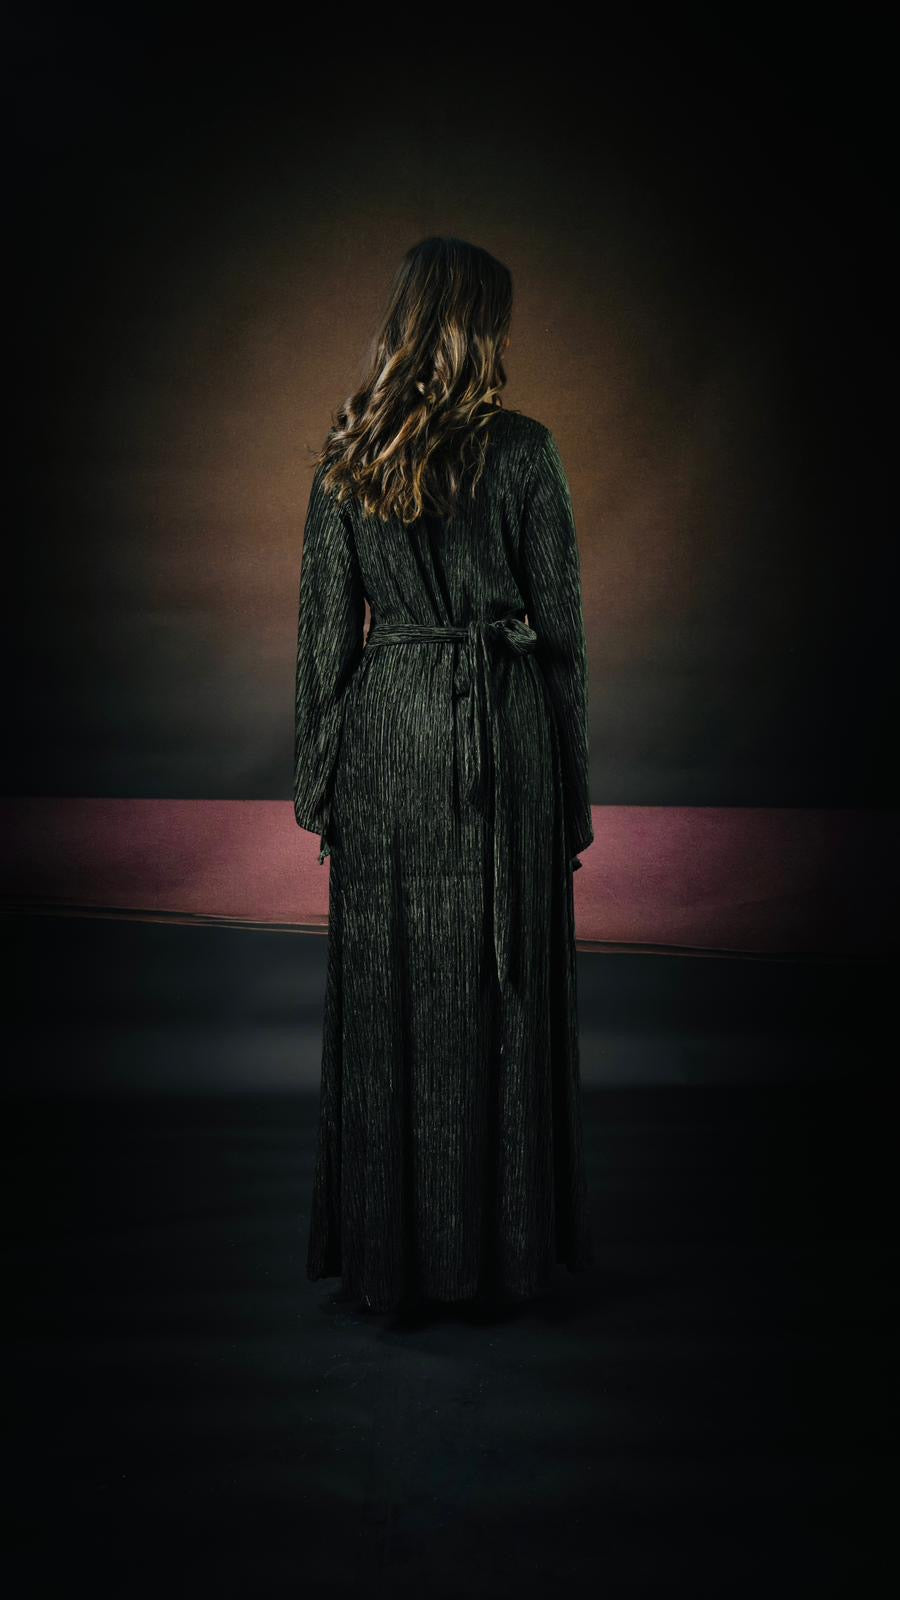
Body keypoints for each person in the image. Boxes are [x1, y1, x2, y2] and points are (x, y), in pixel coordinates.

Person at [293, 236, 594, 1315]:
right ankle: (500, 1259)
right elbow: (561, 641)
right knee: (499, 998)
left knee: (389, 997)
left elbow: (322, 645)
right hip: (503, 740)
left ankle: (394, 1262)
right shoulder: (528, 453)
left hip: (386, 742)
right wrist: (570, 798)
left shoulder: (348, 457)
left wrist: (324, 786)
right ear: (479, 327)